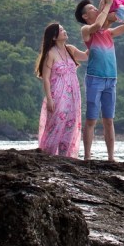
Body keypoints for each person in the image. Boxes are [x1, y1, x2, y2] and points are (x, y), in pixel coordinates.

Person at [75, 0, 124, 161]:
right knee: (92, 119)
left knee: (109, 119)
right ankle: (87, 157)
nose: (96, 9)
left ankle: (110, 157)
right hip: (95, 78)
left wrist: (119, 4)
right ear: (85, 16)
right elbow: (97, 25)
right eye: (92, 8)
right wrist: (107, 6)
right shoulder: (86, 30)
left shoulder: (108, 32)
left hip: (111, 79)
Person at [35, 22, 89, 158]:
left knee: (70, 126)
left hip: (73, 95)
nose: (64, 31)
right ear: (54, 37)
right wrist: (49, 99)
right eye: (61, 30)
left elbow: (86, 56)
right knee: (56, 125)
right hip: (57, 95)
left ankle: (66, 158)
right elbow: (46, 78)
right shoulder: (50, 53)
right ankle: (48, 156)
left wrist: (94, 35)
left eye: (64, 29)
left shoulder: (70, 50)